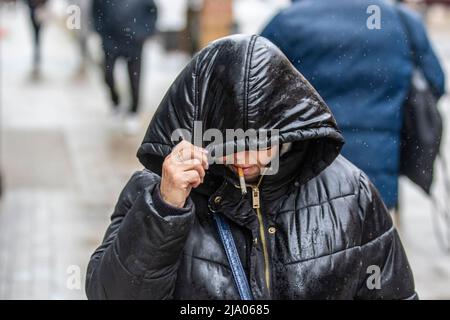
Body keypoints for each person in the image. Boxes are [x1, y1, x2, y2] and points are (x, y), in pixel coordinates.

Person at [86, 35, 416, 300]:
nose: (245, 159)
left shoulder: (350, 191)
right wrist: (165, 208)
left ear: (288, 130)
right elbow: (112, 293)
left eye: (260, 143)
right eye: (228, 145)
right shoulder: (156, 191)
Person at [261, 0, 445, 209]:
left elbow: (255, 88)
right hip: (378, 176)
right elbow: (435, 83)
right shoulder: (402, 20)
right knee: (378, 233)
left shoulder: (288, 22)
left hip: (308, 175)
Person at [92, 0, 158, 134]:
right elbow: (95, 10)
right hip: (110, 41)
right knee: (107, 74)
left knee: (135, 79)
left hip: (134, 42)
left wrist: (144, 33)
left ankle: (133, 113)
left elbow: (152, 11)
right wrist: (101, 32)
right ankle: (116, 103)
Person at [25, 0, 48, 79]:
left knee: (38, 34)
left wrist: (41, 5)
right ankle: (36, 53)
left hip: (40, 11)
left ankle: (37, 53)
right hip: (33, 12)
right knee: (35, 35)